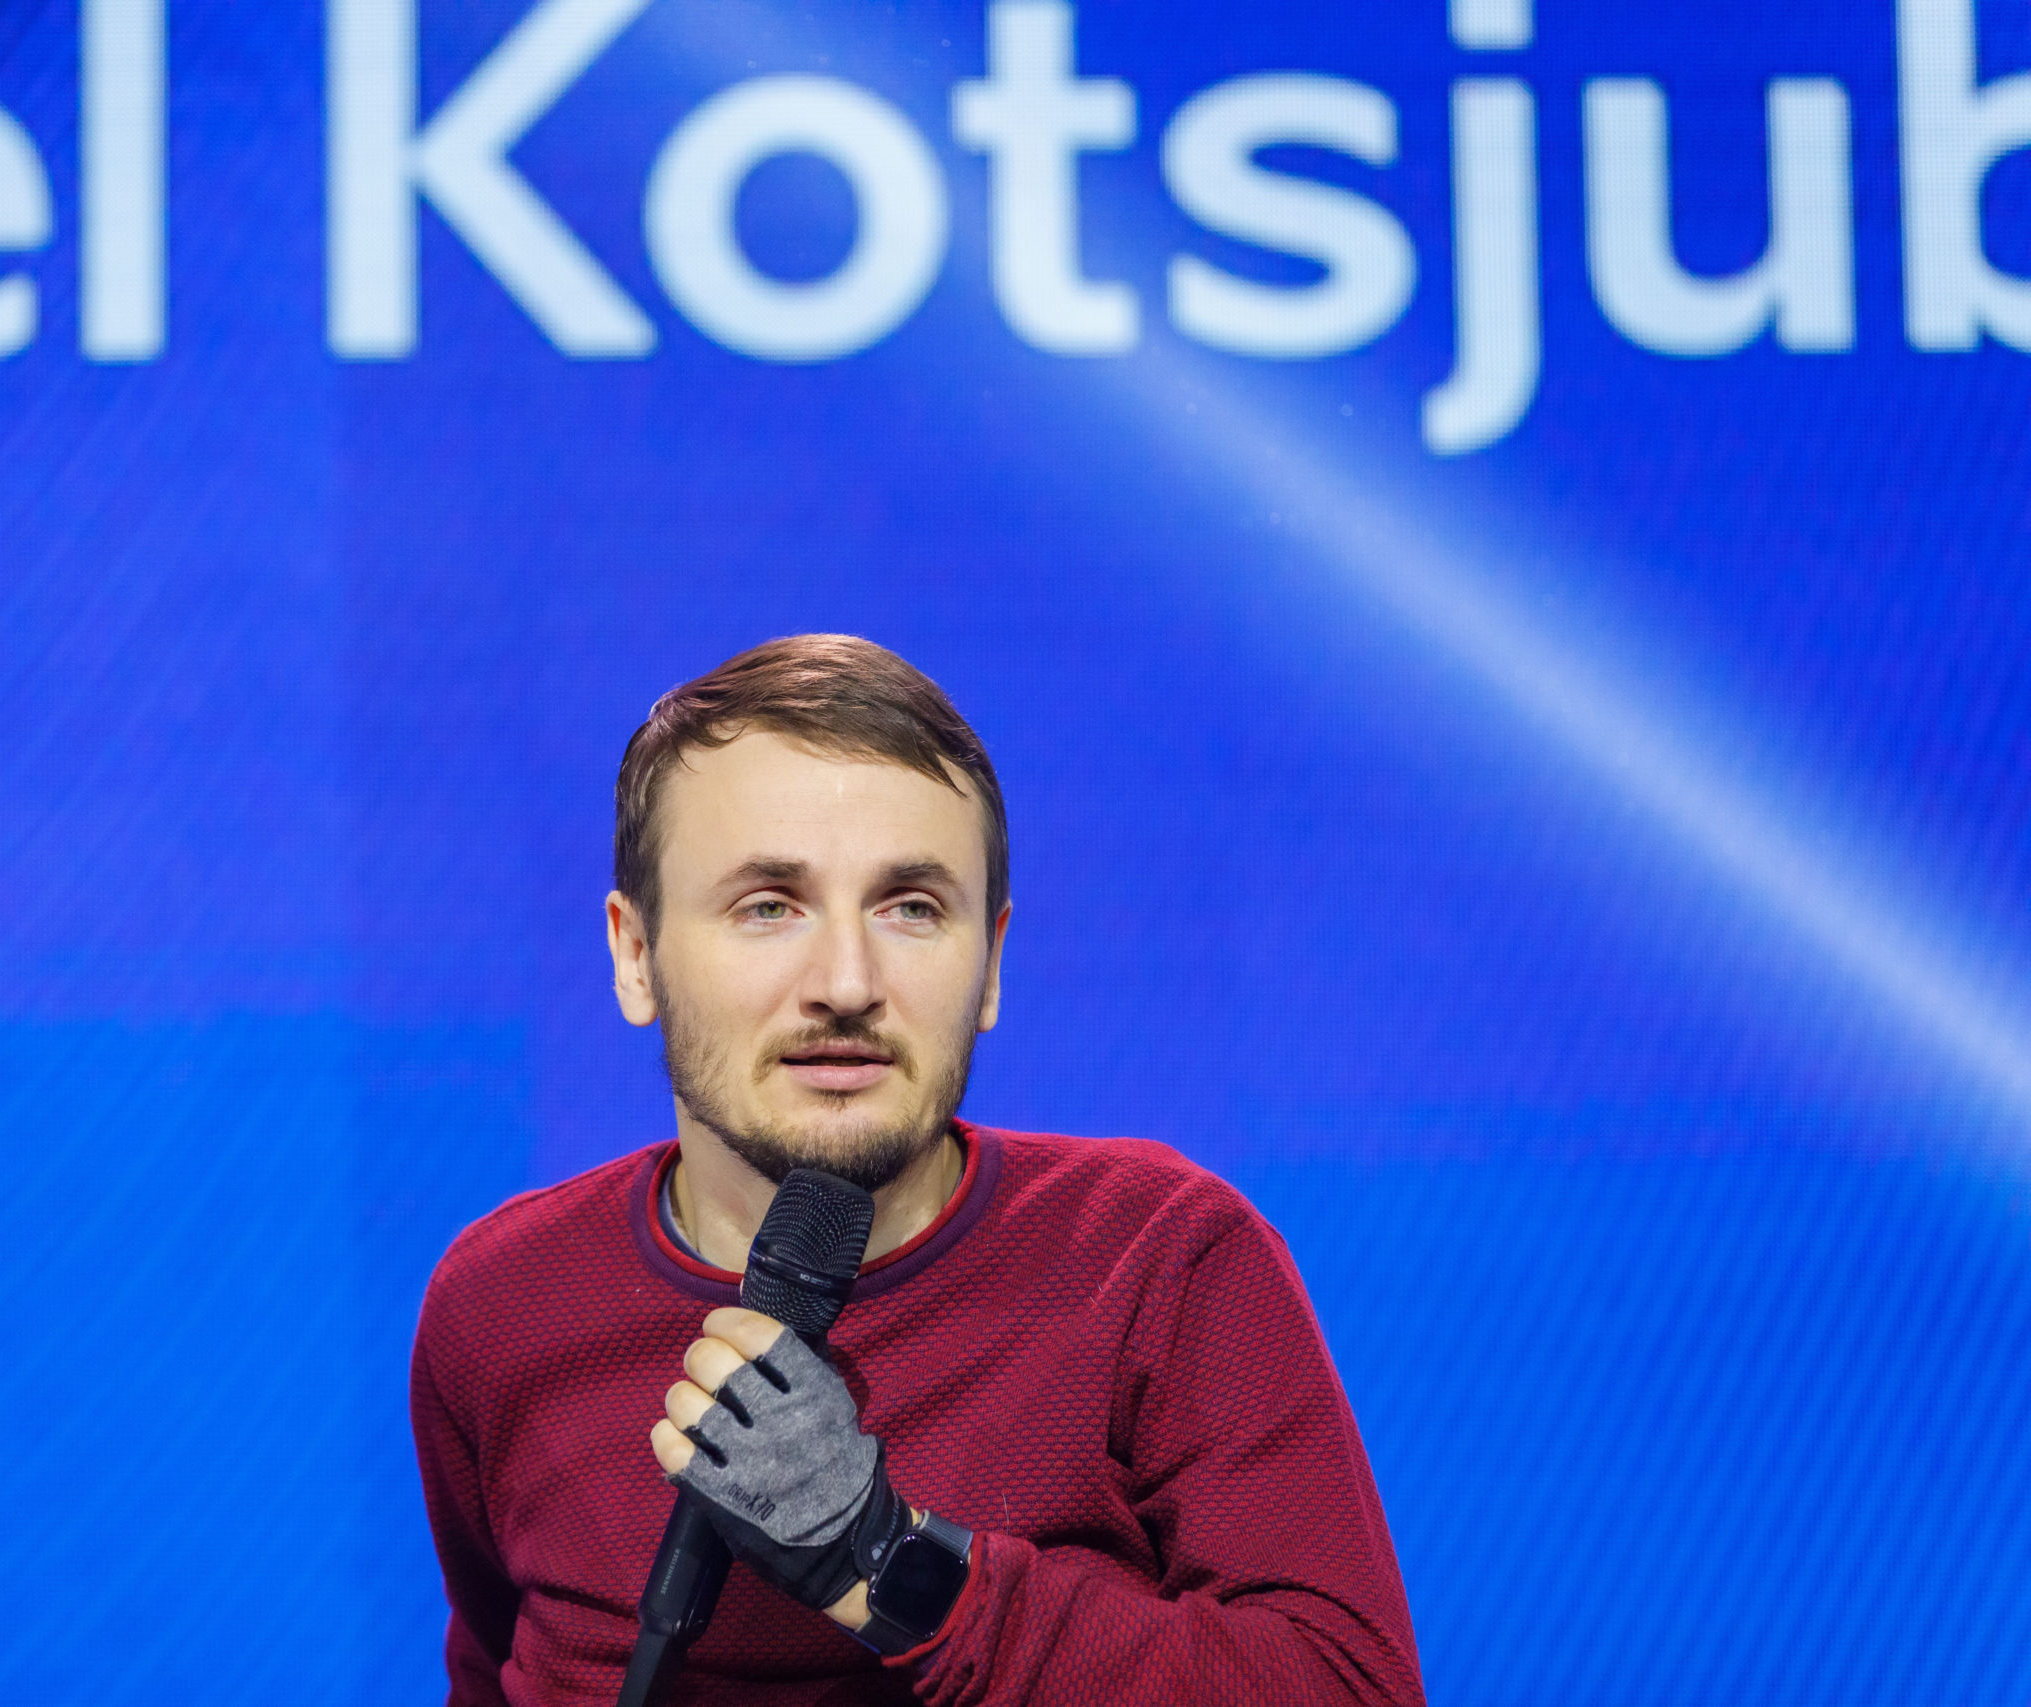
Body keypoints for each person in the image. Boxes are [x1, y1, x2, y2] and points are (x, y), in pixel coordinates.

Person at [410, 635, 1427, 1705]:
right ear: (634, 955)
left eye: (911, 907)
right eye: (769, 905)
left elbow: (1348, 1690)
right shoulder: (503, 1302)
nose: (847, 982)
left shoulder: (1158, 1257)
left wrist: (891, 1563)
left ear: (990, 965)